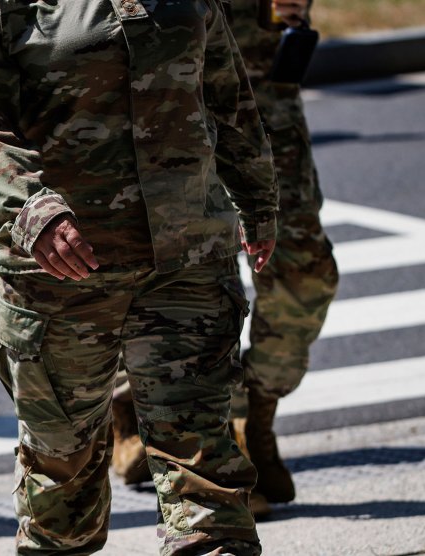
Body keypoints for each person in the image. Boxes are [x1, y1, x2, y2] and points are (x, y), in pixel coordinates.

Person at [0, 0, 279, 553]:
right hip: (61, 271)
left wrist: (258, 198)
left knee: (203, 460)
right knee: (62, 473)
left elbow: (225, 89)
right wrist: (29, 209)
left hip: (186, 258)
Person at [111, 0, 340, 520]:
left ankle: (258, 408)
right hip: (162, 91)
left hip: (260, 90)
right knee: (197, 278)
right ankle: (207, 440)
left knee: (307, 271)